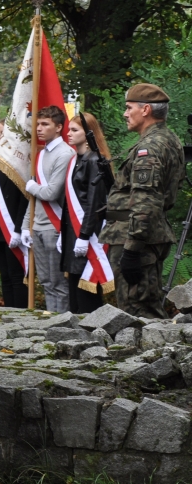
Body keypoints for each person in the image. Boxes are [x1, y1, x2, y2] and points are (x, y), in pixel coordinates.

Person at [100, 84, 183, 320]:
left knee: (138, 311)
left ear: (145, 110)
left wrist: (132, 249)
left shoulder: (150, 147)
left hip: (136, 237)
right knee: (142, 306)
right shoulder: (167, 140)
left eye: (129, 108)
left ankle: (158, 346)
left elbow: (147, 201)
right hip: (145, 235)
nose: (125, 114)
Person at [20, 105, 72, 313]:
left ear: (58, 127)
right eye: (38, 124)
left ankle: (62, 323)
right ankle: (51, 321)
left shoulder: (65, 154)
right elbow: (34, 197)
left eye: (45, 124)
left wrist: (32, 186)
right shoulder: (41, 154)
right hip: (38, 225)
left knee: (59, 283)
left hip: (54, 226)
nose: (39, 129)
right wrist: (26, 225)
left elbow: (51, 193)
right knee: (46, 282)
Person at [60, 113, 111, 313]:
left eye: (74, 130)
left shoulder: (95, 160)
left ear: (89, 133)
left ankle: (93, 330)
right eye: (69, 129)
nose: (69, 133)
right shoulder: (75, 159)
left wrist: (83, 235)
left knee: (86, 292)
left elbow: (94, 202)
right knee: (74, 289)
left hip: (88, 234)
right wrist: (64, 233)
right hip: (73, 232)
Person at [0, 122, 29, 307]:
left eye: (4, 133)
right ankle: (9, 313)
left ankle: (20, 315)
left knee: (17, 276)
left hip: (13, 228)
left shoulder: (21, 165)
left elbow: (24, 200)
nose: (0, 137)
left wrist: (18, 229)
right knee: (5, 277)